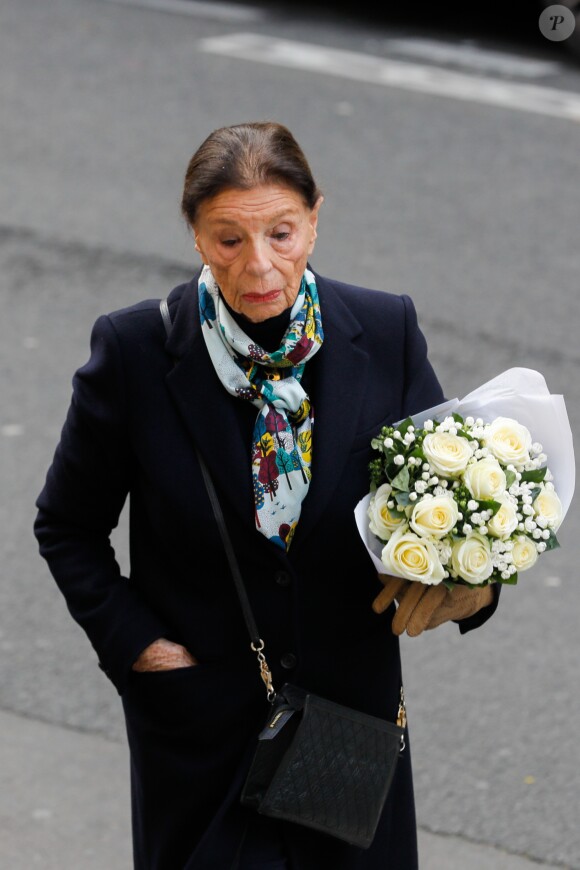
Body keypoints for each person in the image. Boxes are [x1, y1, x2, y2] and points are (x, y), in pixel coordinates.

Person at [34, 121, 498, 870]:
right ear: (194, 236)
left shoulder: (385, 333)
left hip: (352, 736)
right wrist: (140, 650)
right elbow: (65, 525)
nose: (258, 267)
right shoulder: (134, 353)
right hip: (201, 735)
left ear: (315, 217)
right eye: (228, 241)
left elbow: (448, 497)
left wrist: (472, 585)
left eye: (281, 233)